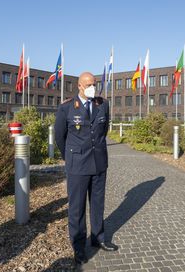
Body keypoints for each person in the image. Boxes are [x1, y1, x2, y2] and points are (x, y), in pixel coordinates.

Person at [55, 72, 118, 265]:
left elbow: (103, 131)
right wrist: (71, 159)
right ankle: (79, 247)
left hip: (99, 163)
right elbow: (60, 137)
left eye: (95, 84)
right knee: (77, 208)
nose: (93, 87)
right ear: (80, 86)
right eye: (89, 84)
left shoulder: (103, 104)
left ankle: (98, 238)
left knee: (98, 203)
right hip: (77, 165)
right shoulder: (66, 107)